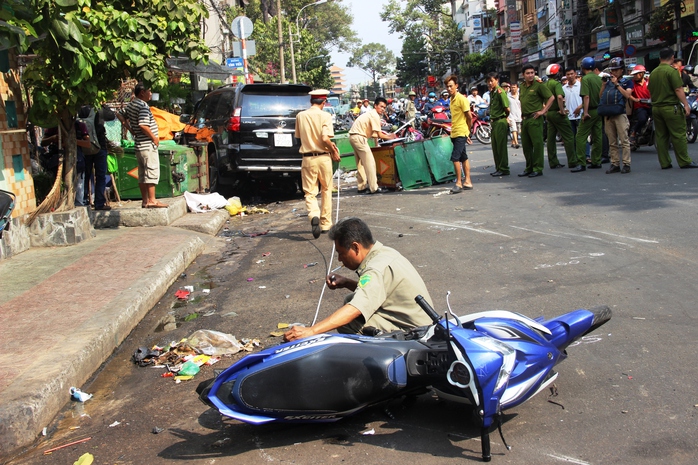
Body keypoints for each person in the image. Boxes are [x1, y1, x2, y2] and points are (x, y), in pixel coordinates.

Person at [283, 217, 433, 342]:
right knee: (351, 298)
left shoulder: (375, 269)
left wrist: (311, 331)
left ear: (355, 247)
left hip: (418, 333)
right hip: (420, 322)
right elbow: (376, 292)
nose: (340, 260)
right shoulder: (385, 253)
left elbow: (356, 307)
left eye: (341, 253)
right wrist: (347, 282)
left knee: (350, 321)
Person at [295, 89, 341, 239]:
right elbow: (325, 138)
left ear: (311, 102)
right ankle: (326, 223)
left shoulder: (300, 116)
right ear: (323, 102)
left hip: (307, 158)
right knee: (326, 189)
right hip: (324, 158)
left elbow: (298, 136)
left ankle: (313, 214)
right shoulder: (325, 115)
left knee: (309, 192)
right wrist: (333, 150)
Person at [648, 48, 698, 169]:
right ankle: (684, 161)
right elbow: (678, 89)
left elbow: (649, 90)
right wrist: (686, 104)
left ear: (660, 58)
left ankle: (664, 163)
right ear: (672, 57)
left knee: (661, 135)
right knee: (678, 134)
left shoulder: (653, 72)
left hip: (656, 108)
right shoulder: (672, 71)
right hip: (671, 107)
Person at [124, 83, 167, 208]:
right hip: (147, 144)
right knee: (151, 171)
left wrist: (130, 128)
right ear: (142, 92)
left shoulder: (132, 104)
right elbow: (143, 125)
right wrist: (154, 138)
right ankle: (152, 200)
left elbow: (120, 114)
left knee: (142, 174)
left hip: (139, 145)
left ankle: (145, 200)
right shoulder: (142, 106)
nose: (151, 94)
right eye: (149, 91)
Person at [348, 96, 396, 194]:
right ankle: (374, 188)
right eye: (381, 106)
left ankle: (361, 187)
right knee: (370, 163)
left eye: (384, 107)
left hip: (354, 137)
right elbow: (379, 134)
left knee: (361, 163)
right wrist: (391, 137)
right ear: (375, 106)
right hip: (359, 137)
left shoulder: (370, 114)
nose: (383, 109)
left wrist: (377, 144)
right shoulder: (374, 115)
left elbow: (374, 134)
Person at [518, 64, 554, 177]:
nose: (530, 75)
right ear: (523, 75)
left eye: (532, 73)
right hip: (525, 119)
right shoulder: (522, 86)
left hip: (535, 118)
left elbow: (551, 97)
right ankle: (529, 167)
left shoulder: (539, 85)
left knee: (537, 144)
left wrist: (543, 111)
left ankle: (538, 168)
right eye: (528, 73)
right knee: (526, 145)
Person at [599, 57, 633, 174]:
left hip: (620, 114)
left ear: (622, 70)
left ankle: (626, 163)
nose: (614, 72)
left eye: (616, 70)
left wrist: (617, 84)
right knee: (611, 141)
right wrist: (604, 84)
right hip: (608, 114)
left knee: (624, 140)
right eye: (612, 70)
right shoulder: (608, 82)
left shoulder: (627, 81)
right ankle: (615, 163)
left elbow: (627, 95)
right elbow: (600, 96)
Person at [78, 104, 114, 211]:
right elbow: (111, 115)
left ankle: (83, 202)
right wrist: (104, 105)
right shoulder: (98, 109)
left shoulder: (77, 110)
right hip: (99, 147)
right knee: (100, 176)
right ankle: (99, 203)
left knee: (85, 176)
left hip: (84, 148)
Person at [571, 57, 603, 172]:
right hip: (599, 110)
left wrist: (585, 112)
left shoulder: (585, 79)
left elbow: (586, 96)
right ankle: (597, 161)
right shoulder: (599, 79)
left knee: (580, 137)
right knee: (597, 136)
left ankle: (581, 162)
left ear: (583, 67)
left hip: (589, 110)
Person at [446, 74, 473, 192]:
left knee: (455, 157)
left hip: (461, 132)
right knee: (463, 157)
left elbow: (469, 116)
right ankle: (468, 181)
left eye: (451, 86)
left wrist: (468, 132)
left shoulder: (461, 99)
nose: (449, 88)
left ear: (456, 86)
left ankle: (459, 183)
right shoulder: (451, 99)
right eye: (447, 86)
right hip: (455, 132)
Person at [544, 63, 573, 169]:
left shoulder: (545, 84)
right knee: (569, 136)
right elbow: (560, 97)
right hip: (557, 112)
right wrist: (562, 110)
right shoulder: (556, 84)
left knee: (550, 138)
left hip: (549, 113)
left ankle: (553, 162)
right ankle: (572, 161)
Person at [486, 73, 510, 177]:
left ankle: (504, 168)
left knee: (501, 147)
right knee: (495, 147)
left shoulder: (500, 92)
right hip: (494, 122)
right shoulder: (492, 93)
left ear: (497, 80)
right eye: (488, 81)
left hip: (500, 121)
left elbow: (507, 108)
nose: (490, 83)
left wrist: (504, 117)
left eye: (492, 81)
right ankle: (498, 168)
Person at [628, 65, 651, 143]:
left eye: (636, 74)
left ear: (641, 74)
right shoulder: (632, 84)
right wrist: (635, 99)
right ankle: (633, 133)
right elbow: (628, 94)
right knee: (642, 119)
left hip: (650, 104)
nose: (634, 76)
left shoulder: (649, 82)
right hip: (640, 106)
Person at [506, 82, 522, 149]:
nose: (513, 89)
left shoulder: (520, 96)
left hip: (519, 115)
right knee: (514, 130)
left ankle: (513, 141)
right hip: (511, 116)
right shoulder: (507, 96)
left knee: (518, 130)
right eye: (512, 87)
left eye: (514, 87)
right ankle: (516, 143)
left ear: (517, 88)